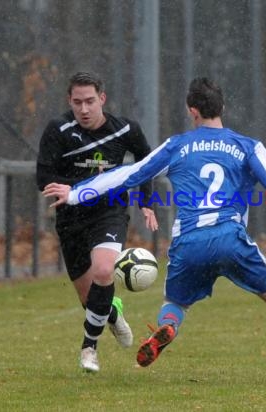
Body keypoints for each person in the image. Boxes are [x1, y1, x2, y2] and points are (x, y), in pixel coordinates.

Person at [43, 77, 266, 385]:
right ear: (222, 107)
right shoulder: (246, 146)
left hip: (189, 242)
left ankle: (167, 327)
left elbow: (129, 174)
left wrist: (74, 193)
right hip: (230, 238)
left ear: (191, 110)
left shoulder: (178, 146)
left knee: (176, 303)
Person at [36, 72, 158, 372]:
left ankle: (89, 348)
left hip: (110, 210)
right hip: (70, 219)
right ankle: (112, 314)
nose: (84, 109)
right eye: (77, 102)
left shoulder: (126, 129)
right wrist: (72, 188)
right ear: (70, 101)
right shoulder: (58, 130)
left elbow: (147, 163)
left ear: (102, 99)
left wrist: (146, 202)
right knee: (89, 296)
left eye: (90, 101)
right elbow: (43, 178)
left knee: (105, 270)